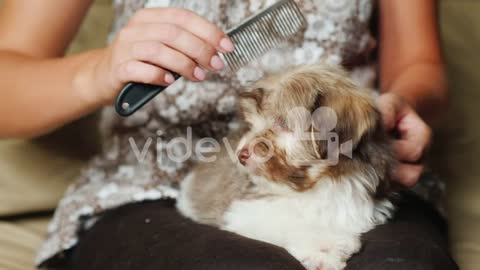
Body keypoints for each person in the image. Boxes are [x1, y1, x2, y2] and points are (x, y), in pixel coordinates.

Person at [0, 0, 457, 269]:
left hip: (350, 179)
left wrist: (402, 106)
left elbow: (420, 66)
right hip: (151, 188)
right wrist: (97, 72)